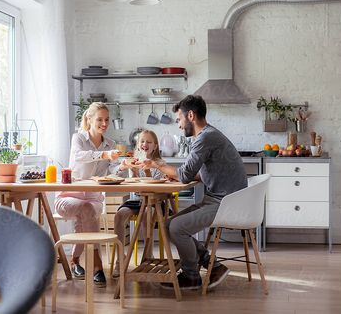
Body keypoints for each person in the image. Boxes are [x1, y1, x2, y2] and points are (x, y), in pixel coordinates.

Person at [140, 95, 247, 290]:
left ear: (190, 115)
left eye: (179, 119)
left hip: (226, 203)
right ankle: (212, 264)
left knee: (177, 227)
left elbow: (184, 174)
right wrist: (190, 176)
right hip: (222, 199)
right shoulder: (209, 135)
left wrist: (157, 163)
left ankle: (191, 276)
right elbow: (203, 172)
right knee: (168, 224)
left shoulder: (205, 137)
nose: (179, 126)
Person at [54, 102, 120, 287]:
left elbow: (112, 169)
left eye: (107, 119)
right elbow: (79, 156)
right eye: (100, 119)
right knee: (86, 209)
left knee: (87, 211)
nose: (104, 123)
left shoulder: (110, 144)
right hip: (67, 198)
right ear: (89, 120)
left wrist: (123, 165)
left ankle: (75, 260)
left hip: (94, 199)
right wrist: (105, 155)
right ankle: (97, 264)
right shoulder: (79, 138)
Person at [110, 130, 165, 277]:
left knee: (147, 213)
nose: (145, 144)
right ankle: (119, 260)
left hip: (155, 202)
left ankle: (147, 257)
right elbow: (133, 187)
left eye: (149, 142)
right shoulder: (134, 160)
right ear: (138, 145)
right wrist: (132, 171)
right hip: (137, 201)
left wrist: (147, 170)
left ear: (155, 146)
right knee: (119, 215)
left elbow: (158, 187)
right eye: (142, 141)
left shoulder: (159, 164)